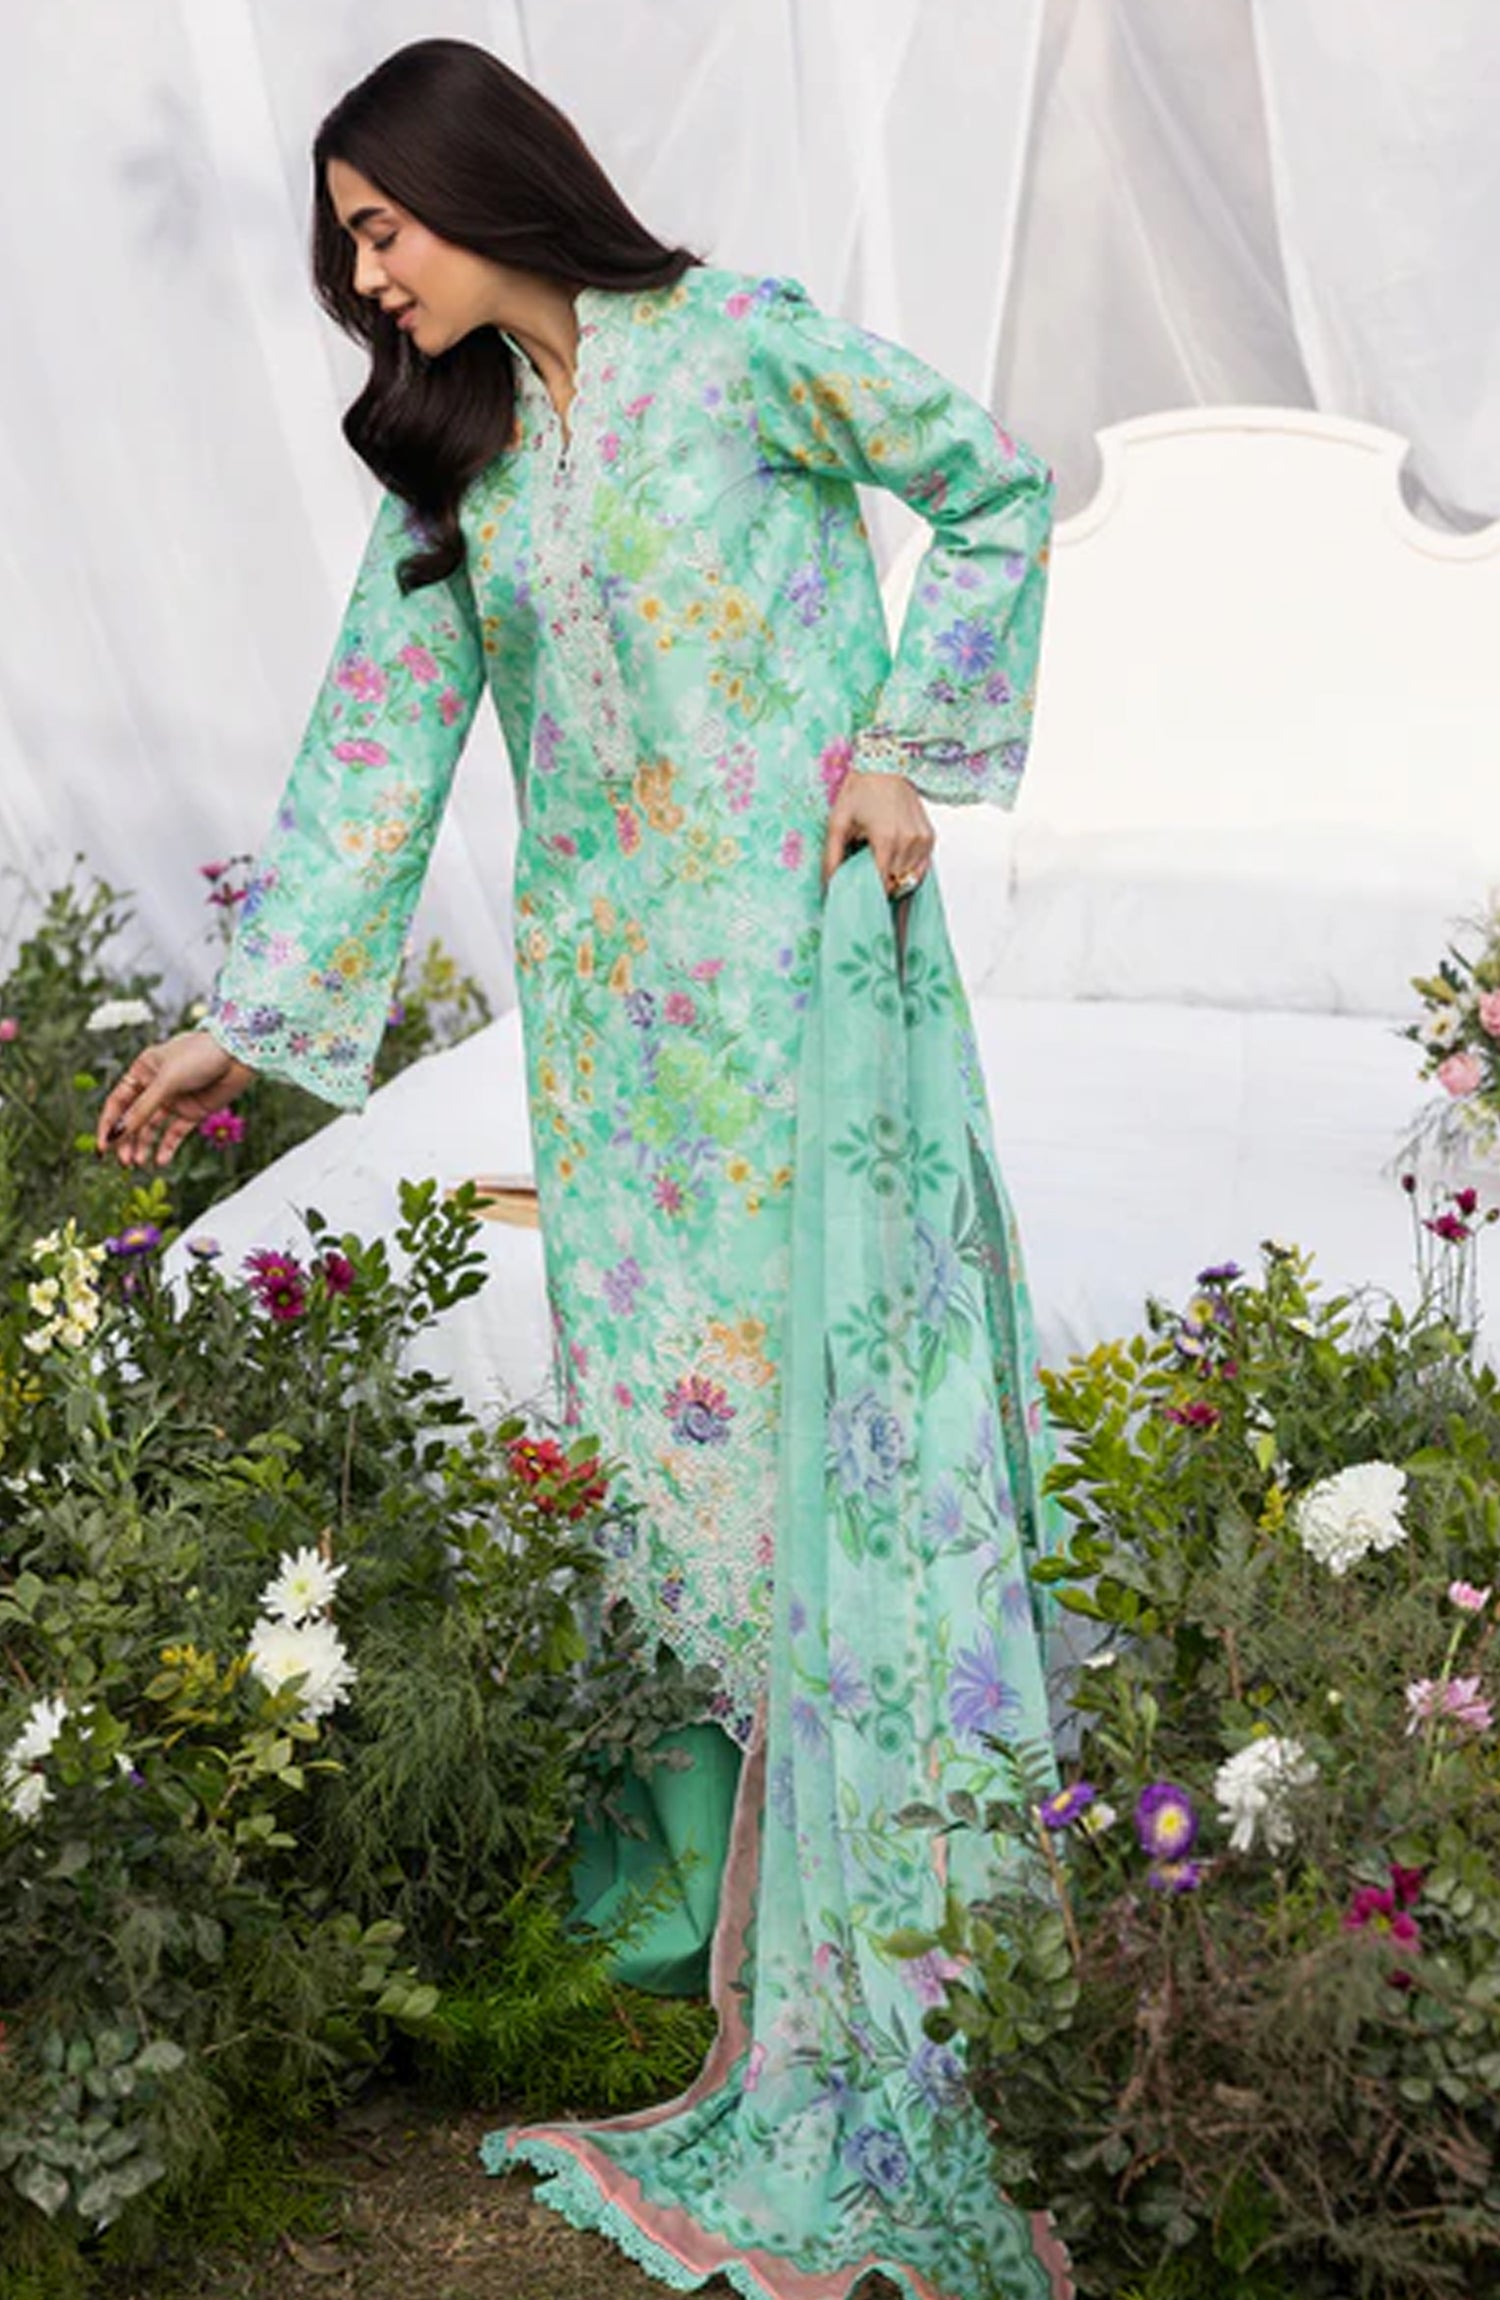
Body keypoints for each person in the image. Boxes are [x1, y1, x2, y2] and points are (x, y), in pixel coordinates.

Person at [99, 38, 1072, 2300]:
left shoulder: (734, 348)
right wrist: (240, 1021)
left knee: (850, 1445)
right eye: (346, 247)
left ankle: (920, 1955)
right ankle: (757, 1949)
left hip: (808, 998)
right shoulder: (463, 461)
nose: (366, 279)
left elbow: (995, 483)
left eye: (379, 229)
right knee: (692, 1476)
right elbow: (374, 742)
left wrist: (905, 751)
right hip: (623, 1051)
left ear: (480, 180)